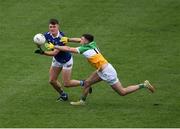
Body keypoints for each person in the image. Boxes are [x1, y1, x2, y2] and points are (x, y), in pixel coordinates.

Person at [45, 34, 155, 105]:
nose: (80, 40)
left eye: (82, 39)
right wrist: (68, 39)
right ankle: (82, 101)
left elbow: (69, 48)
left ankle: (143, 85)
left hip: (108, 72)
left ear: (86, 41)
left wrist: (55, 46)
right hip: (102, 69)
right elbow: (77, 40)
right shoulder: (92, 44)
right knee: (87, 82)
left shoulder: (84, 49)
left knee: (122, 92)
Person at [34, 19, 88, 101]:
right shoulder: (47, 35)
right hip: (56, 60)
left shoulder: (61, 38)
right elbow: (41, 41)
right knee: (52, 81)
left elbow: (54, 53)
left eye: (54, 27)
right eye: (50, 27)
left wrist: (43, 52)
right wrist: (38, 44)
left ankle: (84, 83)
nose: (52, 29)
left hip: (66, 61)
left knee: (67, 83)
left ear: (58, 27)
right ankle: (63, 95)